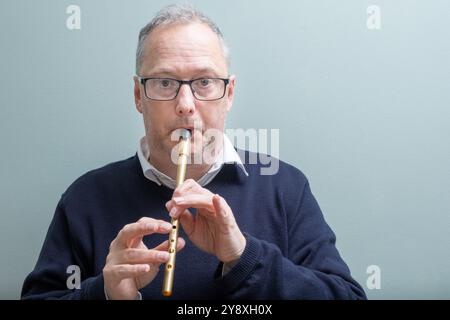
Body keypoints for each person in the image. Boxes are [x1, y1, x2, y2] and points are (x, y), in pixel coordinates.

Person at [21, 4, 366, 300]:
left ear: (228, 94)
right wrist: (106, 293)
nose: (186, 105)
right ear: (139, 96)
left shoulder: (285, 186)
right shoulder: (85, 197)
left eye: (204, 82)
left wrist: (244, 258)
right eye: (165, 83)